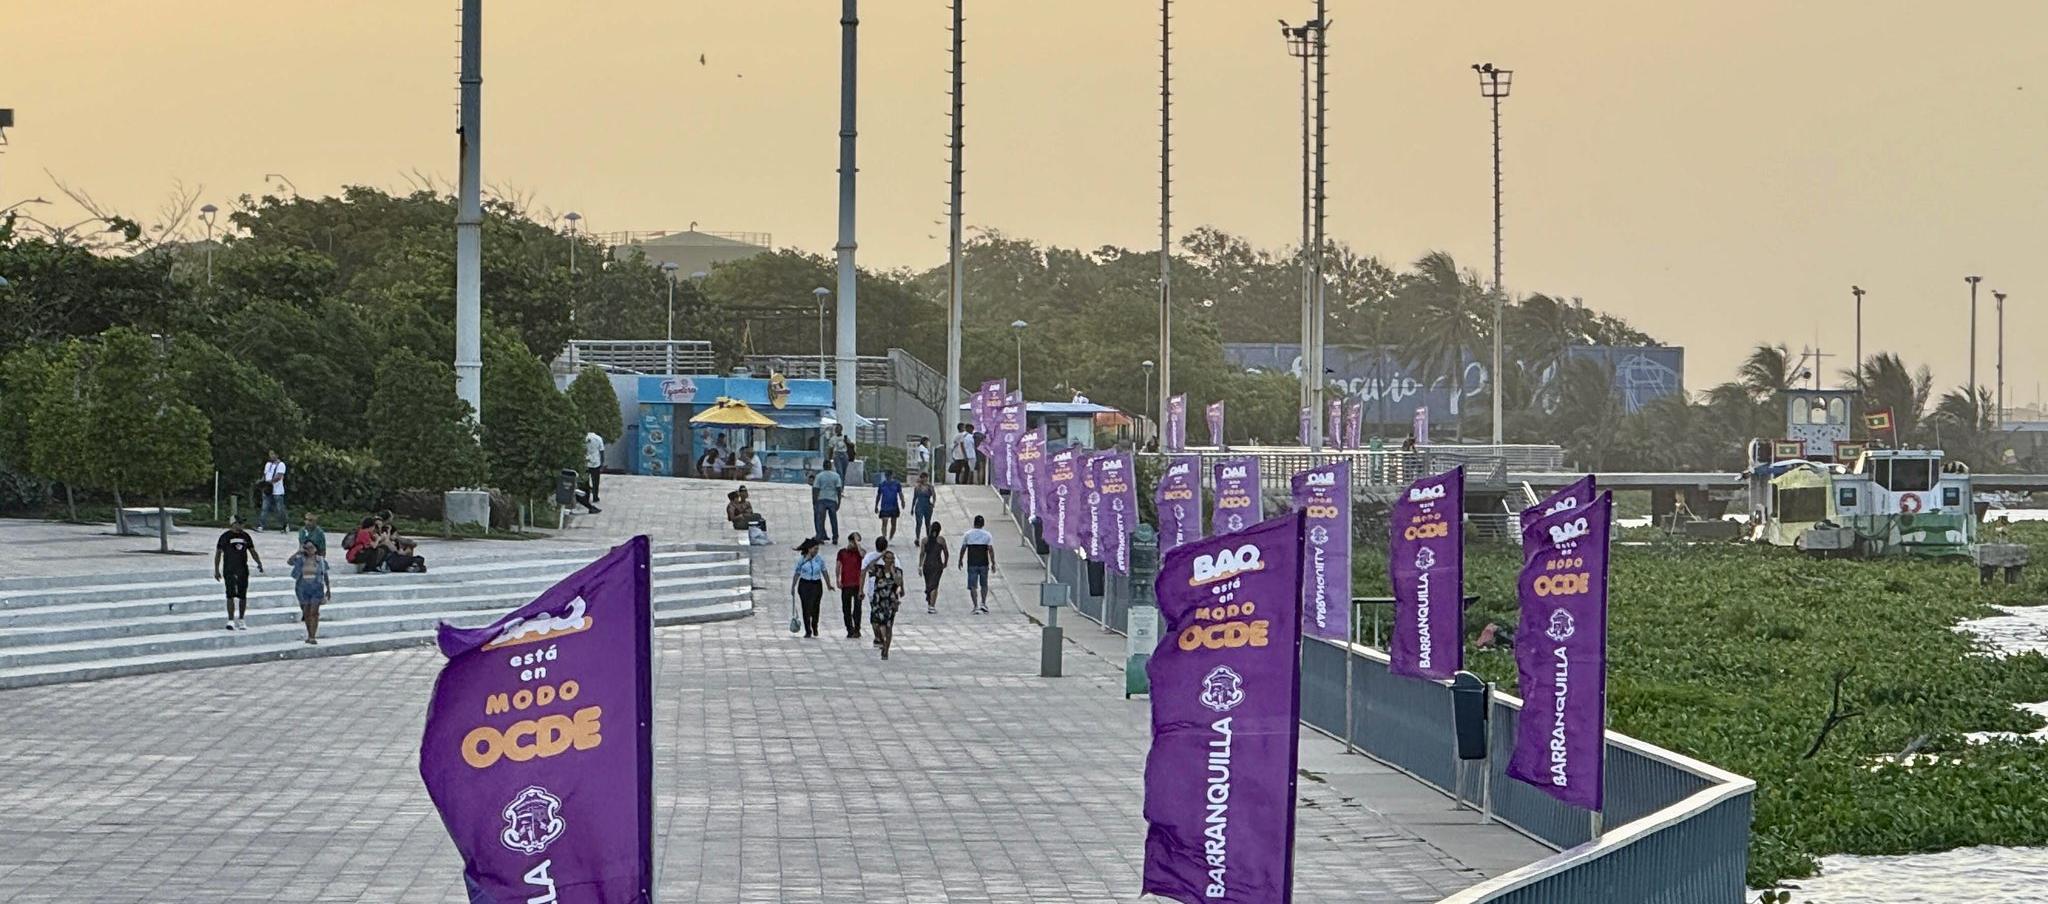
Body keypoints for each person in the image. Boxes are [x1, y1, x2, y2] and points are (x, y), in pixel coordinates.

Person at [213, 517, 263, 631]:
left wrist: (259, 562)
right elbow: (218, 553)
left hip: (242, 569)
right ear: (233, 524)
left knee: (242, 595)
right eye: (239, 523)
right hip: (229, 569)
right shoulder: (225, 536)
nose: (241, 526)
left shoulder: (246, 536)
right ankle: (230, 619)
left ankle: (241, 619)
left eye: (242, 523)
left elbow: (252, 550)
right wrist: (216, 569)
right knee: (230, 594)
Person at [287, 539, 330, 644]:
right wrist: (298, 552)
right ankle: (309, 633)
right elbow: (289, 562)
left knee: (314, 612)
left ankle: (312, 636)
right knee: (306, 612)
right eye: (307, 548)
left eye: (311, 547)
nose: (309, 550)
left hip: (317, 588)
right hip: (303, 587)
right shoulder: (300, 559)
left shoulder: (321, 561)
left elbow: (325, 574)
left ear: (315, 549)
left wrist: (328, 589)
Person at [789, 537, 833, 638]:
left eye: (817, 549)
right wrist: (793, 586)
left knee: (815, 606)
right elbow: (797, 573)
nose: (816, 551)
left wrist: (828, 584)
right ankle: (808, 630)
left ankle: (815, 625)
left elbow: (824, 571)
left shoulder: (819, 560)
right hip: (805, 584)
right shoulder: (802, 560)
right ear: (809, 549)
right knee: (806, 607)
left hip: (816, 584)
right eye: (815, 549)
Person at [867, 549, 905, 660]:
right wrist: (880, 556)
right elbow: (870, 566)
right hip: (878, 600)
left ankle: (886, 649)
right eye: (888, 558)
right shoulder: (879, 569)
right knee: (876, 623)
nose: (890, 560)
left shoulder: (897, 571)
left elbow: (898, 582)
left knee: (888, 626)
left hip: (890, 601)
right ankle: (881, 640)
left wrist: (893, 573)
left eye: (892, 558)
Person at [960, 515, 995, 614]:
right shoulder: (987, 535)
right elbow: (990, 550)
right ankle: (983, 603)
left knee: (973, 586)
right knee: (984, 584)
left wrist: (960, 559)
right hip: (984, 563)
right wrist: (993, 563)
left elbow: (963, 548)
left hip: (972, 563)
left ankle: (975, 606)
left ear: (974, 523)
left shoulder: (968, 534)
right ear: (983, 524)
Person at [836, 533, 866, 638]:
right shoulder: (842, 552)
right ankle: (849, 629)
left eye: (857, 541)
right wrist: (837, 579)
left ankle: (857, 628)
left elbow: (863, 555)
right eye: (853, 541)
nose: (855, 543)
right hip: (846, 584)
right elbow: (838, 566)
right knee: (846, 608)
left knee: (857, 608)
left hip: (858, 584)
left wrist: (857, 545)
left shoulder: (860, 553)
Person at [862, 537, 889, 646]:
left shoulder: (869, 557)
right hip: (886, 590)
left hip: (872, 591)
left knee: (875, 615)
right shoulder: (892, 557)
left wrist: (860, 589)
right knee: (883, 616)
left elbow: (863, 572)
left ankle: (878, 637)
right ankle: (881, 637)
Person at [918, 521, 948, 615]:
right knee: (935, 585)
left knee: (928, 584)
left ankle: (930, 602)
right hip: (937, 564)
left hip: (927, 565)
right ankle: (932, 605)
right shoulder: (941, 540)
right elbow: (946, 552)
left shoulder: (924, 540)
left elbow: (922, 553)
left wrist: (920, 565)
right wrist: (945, 562)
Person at [258, 450, 288, 531]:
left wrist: (270, 482)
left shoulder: (281, 465)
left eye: (273, 454)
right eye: (270, 454)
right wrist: (262, 482)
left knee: (279, 509)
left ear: (277, 455)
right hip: (267, 489)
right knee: (265, 507)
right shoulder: (268, 464)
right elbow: (265, 475)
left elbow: (279, 476)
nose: (271, 456)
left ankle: (284, 525)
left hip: (277, 490)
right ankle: (261, 525)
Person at [812, 466, 843, 542]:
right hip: (832, 500)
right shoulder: (836, 476)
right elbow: (839, 489)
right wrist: (839, 502)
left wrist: (814, 501)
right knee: (833, 520)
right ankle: (835, 537)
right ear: (831, 467)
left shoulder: (819, 476)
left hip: (821, 500)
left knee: (820, 519)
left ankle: (820, 536)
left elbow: (815, 489)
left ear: (823, 466)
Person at [874, 469, 904, 543]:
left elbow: (900, 493)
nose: (888, 477)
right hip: (884, 507)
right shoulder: (882, 485)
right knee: (884, 523)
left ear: (892, 475)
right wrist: (876, 505)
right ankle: (884, 537)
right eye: (886, 475)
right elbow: (878, 495)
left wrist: (903, 501)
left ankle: (890, 537)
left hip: (894, 506)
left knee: (893, 524)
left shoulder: (897, 484)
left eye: (889, 475)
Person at [911, 472, 937, 541]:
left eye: (925, 477)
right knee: (919, 522)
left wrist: (933, 503)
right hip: (919, 505)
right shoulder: (917, 487)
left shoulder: (930, 487)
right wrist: (912, 508)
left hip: (927, 505)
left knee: (927, 523)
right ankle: (917, 538)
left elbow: (934, 495)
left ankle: (928, 538)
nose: (924, 479)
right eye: (922, 477)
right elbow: (914, 498)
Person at [583, 430, 607, 503]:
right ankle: (595, 497)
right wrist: (602, 463)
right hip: (595, 462)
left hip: (585, 461)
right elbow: (602, 451)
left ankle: (586, 496)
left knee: (585, 481)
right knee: (595, 481)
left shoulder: (584, 438)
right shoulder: (598, 438)